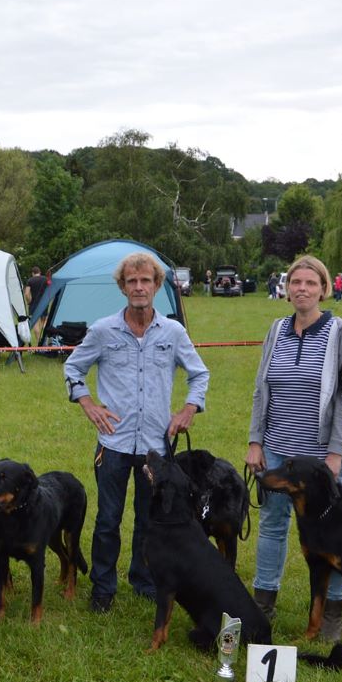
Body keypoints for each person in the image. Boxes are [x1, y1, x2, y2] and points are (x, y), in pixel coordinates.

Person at [63, 252, 209, 612]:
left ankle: (143, 579)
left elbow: (199, 374)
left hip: (154, 448)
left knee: (150, 519)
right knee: (108, 520)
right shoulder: (102, 330)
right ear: (122, 287)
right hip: (112, 444)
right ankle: (102, 587)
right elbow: (72, 368)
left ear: (157, 286)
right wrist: (88, 404)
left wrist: (189, 408)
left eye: (146, 281)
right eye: (132, 281)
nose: (139, 287)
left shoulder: (173, 332)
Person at [245, 254, 342, 641]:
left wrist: (334, 453)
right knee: (273, 525)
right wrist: (255, 440)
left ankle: (332, 612)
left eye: (311, 283)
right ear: (286, 288)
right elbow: (261, 390)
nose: (302, 289)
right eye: (295, 282)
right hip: (278, 451)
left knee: (333, 535)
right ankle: (263, 603)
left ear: (324, 289)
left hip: (319, 460)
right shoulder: (275, 330)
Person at [24, 266, 48, 344]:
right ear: (40, 272)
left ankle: (38, 342)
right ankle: (45, 340)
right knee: (44, 322)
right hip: (44, 304)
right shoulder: (45, 279)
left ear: (32, 273)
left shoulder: (30, 280)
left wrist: (29, 301)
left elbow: (27, 293)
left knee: (35, 323)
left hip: (34, 305)